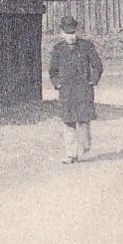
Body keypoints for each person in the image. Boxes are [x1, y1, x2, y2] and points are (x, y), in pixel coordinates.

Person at [47, 15, 102, 163]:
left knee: (83, 120)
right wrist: (57, 83)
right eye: (68, 33)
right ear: (62, 33)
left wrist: (92, 80)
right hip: (67, 91)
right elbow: (52, 71)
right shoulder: (58, 49)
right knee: (68, 121)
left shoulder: (86, 46)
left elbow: (97, 65)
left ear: (77, 31)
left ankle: (84, 145)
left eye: (73, 33)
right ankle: (71, 154)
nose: (71, 36)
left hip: (83, 90)